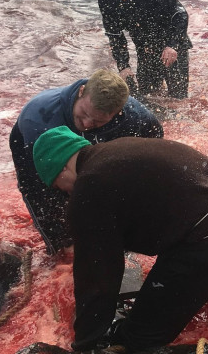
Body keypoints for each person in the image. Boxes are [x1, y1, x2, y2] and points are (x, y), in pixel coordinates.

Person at [32, 129, 208, 352]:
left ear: (60, 170)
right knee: (197, 274)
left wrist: (86, 343)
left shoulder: (88, 189)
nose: (65, 193)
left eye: (57, 186)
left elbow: (96, 278)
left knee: (137, 337)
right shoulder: (117, 149)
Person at [10, 69, 163, 255]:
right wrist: (61, 238)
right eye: (83, 113)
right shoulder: (39, 115)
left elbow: (153, 150)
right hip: (37, 152)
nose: (88, 123)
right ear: (82, 91)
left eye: (98, 121)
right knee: (55, 215)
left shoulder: (136, 117)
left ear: (117, 113)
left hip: (96, 151)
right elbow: (39, 189)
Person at [97, 0, 192, 98]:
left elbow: (181, 15)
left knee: (178, 98)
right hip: (145, 50)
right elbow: (115, 35)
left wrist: (172, 45)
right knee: (148, 96)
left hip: (173, 47)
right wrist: (124, 66)